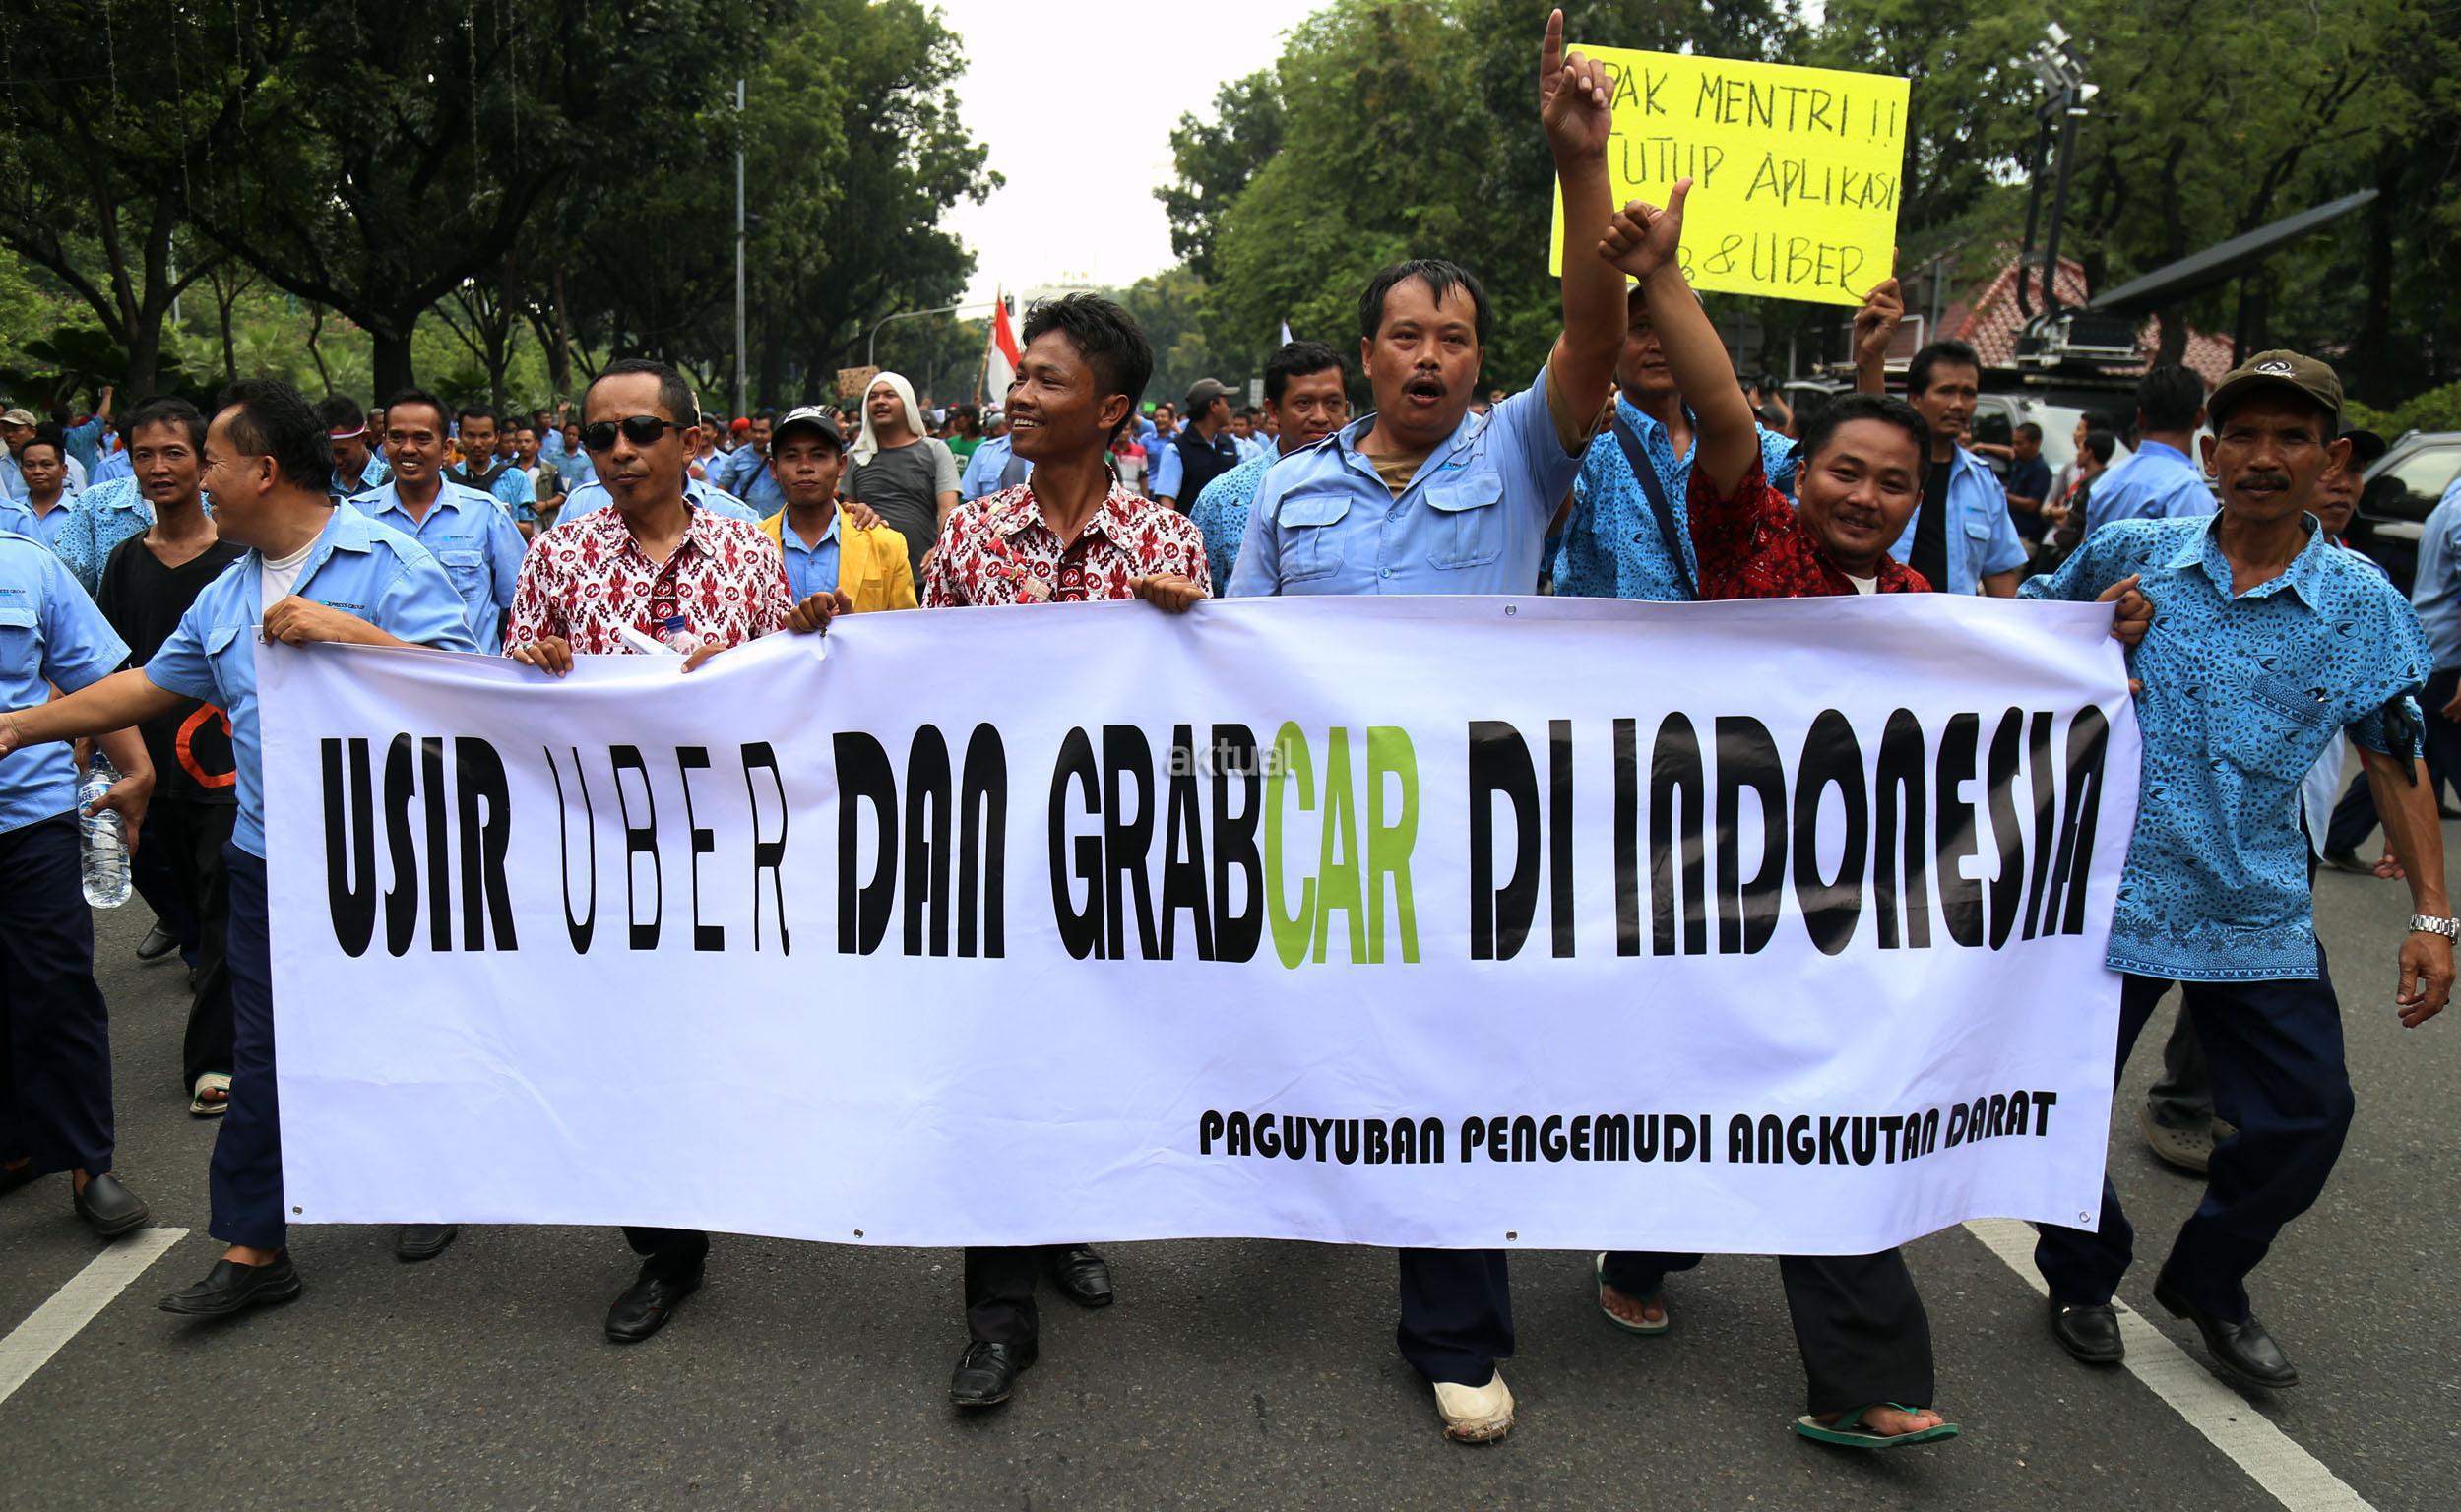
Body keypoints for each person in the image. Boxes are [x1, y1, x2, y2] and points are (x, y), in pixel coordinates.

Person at [1227, 11, 1627, 1444]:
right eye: (1407, 334)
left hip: (1473, 838)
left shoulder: (1519, 455)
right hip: (1327, 834)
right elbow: (1239, 661)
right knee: (1322, 1051)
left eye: (1456, 339)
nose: (1432, 356)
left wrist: (1578, 167)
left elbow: (1597, 333)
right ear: (1365, 353)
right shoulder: (1283, 494)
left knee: (1456, 1075)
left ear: (1478, 364)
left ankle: (1452, 1333)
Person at [0, 378, 478, 1317]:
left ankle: (426, 1184)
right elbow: (146, 686)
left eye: (212, 461)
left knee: (396, 1028)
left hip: (382, 859)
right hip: (264, 861)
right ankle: (256, 1247)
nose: (198, 480)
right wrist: (21, 726)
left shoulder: (388, 564)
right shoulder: (227, 593)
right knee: (262, 1048)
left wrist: (351, 634)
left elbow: (467, 699)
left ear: (262, 470)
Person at [2025, 350, 2451, 1395]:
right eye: (2245, 437)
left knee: (2310, 1114)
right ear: (2210, 453)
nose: (2265, 458)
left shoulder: (2359, 602)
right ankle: (2080, 1275)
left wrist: (2433, 915)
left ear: (2330, 460)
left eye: (2291, 438)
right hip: (2101, 894)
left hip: (2250, 904)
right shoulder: (2131, 554)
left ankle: (2209, 1281)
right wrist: (2086, 631)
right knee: (2052, 1102)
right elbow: (2016, 641)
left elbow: (2394, 754)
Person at [919, 292, 1207, 1413]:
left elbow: (1206, 717)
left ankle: (1064, 1222)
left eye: (1047, 380)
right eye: (1021, 376)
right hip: (993, 858)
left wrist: (1188, 625)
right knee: (997, 1063)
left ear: (1112, 410)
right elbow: (921, 689)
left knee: (1085, 1058)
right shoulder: (970, 538)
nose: (1020, 396)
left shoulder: (1167, 543)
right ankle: (998, 1321)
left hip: (1110, 860)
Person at [505, 358, 819, 1346]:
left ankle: (736, 1170)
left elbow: (785, 692)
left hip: (723, 845)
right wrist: (536, 662)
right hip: (601, 852)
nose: (620, 451)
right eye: (600, 435)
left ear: (690, 441)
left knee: (715, 1034)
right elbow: (506, 695)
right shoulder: (558, 556)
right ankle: (665, 1249)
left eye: (641, 431)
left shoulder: (747, 551)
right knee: (621, 1047)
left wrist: (772, 655)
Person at [0, 500, 158, 1242]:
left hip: (29, 815)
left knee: (56, 985)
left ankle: (89, 1166)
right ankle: (14, 1144)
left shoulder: (26, 564)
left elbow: (95, 677)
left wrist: (136, 768)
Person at [1549, 271, 1899, 603]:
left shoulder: (1743, 445)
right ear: (1612, 339)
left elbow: (1848, 477)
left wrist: (1870, 362)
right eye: (1641, 327)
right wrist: (1571, 437)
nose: (1659, 344)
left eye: (1670, 327)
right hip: (1613, 647)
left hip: (1727, 647)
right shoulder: (1587, 446)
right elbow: (1545, 532)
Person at [93, 399, 245, 1119]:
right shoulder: (126, 561)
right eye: (144, 455)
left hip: (227, 768)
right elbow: (105, 666)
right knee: (169, 885)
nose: (158, 467)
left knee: (223, 904)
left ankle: (216, 1059)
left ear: (204, 462)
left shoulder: (238, 558)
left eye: (175, 452)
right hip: (147, 766)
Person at [347, 390, 527, 659]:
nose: (408, 448)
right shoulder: (357, 517)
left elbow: (522, 603)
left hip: (468, 676)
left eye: (422, 438)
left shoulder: (485, 514)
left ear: (446, 448)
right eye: (396, 437)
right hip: (382, 676)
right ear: (383, 444)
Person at [1188, 341, 1351, 589]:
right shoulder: (1223, 498)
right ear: (1273, 411)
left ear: (1345, 408)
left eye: (1332, 403)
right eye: (1304, 403)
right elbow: (1201, 595)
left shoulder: (1373, 490)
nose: (1320, 417)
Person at [1894, 341, 2027, 596]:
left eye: (1968, 393)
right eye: (1946, 391)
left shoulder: (1983, 481)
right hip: (1884, 616)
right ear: (1915, 398)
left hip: (1955, 621)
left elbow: (2000, 571)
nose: (1958, 404)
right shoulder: (1886, 469)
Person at [756, 405, 915, 611]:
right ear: (773, 469)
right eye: (791, 456)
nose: (805, 467)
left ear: (841, 466)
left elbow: (905, 626)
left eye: (818, 455)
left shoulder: (885, 544)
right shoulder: (752, 547)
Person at [842, 372, 960, 584]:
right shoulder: (855, 456)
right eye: (873, 396)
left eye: (889, 395)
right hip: (871, 577)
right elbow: (848, 512)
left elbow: (948, 510)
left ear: (907, 402)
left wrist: (940, 548)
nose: (880, 401)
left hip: (923, 574)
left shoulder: (935, 450)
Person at [2082, 365, 2212, 536]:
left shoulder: (2106, 482)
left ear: (2140, 417)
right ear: (2200, 417)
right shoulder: (2187, 490)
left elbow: (2090, 548)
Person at [1153, 378, 1241, 512]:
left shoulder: (1229, 445)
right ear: (1213, 406)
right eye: (1226, 403)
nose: (1229, 409)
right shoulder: (1177, 450)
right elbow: (1167, 504)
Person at [442, 404, 538, 524]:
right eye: (470, 435)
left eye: (485, 436)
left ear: (497, 437)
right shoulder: (443, 480)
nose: (477, 443)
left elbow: (528, 529)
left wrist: (498, 519)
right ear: (460, 435)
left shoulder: (516, 478)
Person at [11, 426, 79, 548]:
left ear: (64, 470)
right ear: (21, 471)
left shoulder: (80, 512)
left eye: (46, 464)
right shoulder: (11, 512)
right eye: (30, 465)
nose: (38, 471)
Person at [318, 395, 391, 499]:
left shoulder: (393, 485)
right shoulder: (319, 485)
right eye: (327, 452)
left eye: (341, 452)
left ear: (364, 437)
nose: (336, 460)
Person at [716, 410, 785, 517]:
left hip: (778, 520)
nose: (757, 436)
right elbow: (722, 487)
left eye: (763, 432)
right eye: (754, 431)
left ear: (773, 432)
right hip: (749, 521)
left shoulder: (782, 455)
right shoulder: (739, 455)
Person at [2002, 421, 2053, 544]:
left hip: (2024, 536)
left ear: (2036, 444)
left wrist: (2001, 494)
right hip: (2008, 530)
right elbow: (2008, 452)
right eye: (2013, 443)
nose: (2015, 447)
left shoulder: (2040, 470)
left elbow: (2031, 505)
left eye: (2019, 444)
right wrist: (1980, 446)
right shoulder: (2020, 461)